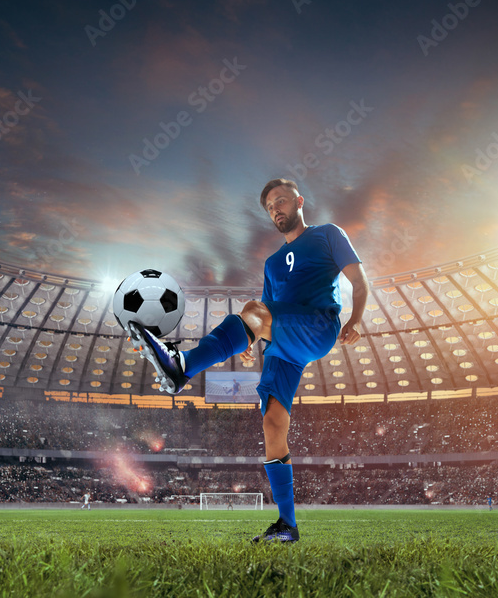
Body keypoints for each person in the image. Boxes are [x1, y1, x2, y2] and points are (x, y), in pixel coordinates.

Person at [129, 178, 368, 543]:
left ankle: (183, 365)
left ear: (299, 201)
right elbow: (263, 309)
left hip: (318, 323)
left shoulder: (328, 234)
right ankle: (287, 525)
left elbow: (358, 279)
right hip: (281, 345)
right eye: (270, 206)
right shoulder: (273, 263)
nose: (276, 209)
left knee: (253, 310)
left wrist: (355, 319)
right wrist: (250, 336)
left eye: (282, 201)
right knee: (273, 422)